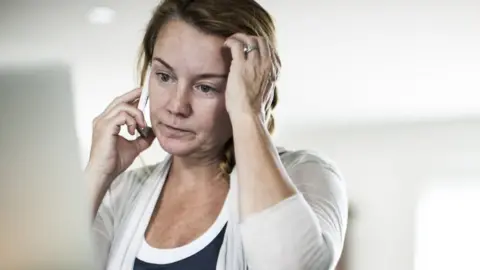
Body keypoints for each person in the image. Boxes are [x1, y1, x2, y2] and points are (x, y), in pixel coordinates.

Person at [85, 0, 348, 269]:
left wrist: (248, 114)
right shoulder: (120, 193)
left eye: (206, 87)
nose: (177, 106)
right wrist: (97, 173)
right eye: (165, 76)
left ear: (251, 88)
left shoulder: (306, 173)